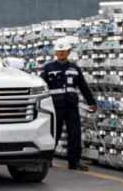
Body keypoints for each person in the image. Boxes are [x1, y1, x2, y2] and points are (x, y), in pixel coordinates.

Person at [40, 39, 98, 171]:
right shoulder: (48, 68)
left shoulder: (74, 68)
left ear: (69, 52)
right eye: (59, 51)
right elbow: (42, 86)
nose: (61, 53)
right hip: (55, 107)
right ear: (55, 52)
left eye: (64, 51)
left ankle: (74, 162)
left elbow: (83, 86)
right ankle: (47, 159)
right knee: (54, 133)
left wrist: (91, 102)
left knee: (75, 134)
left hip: (71, 106)